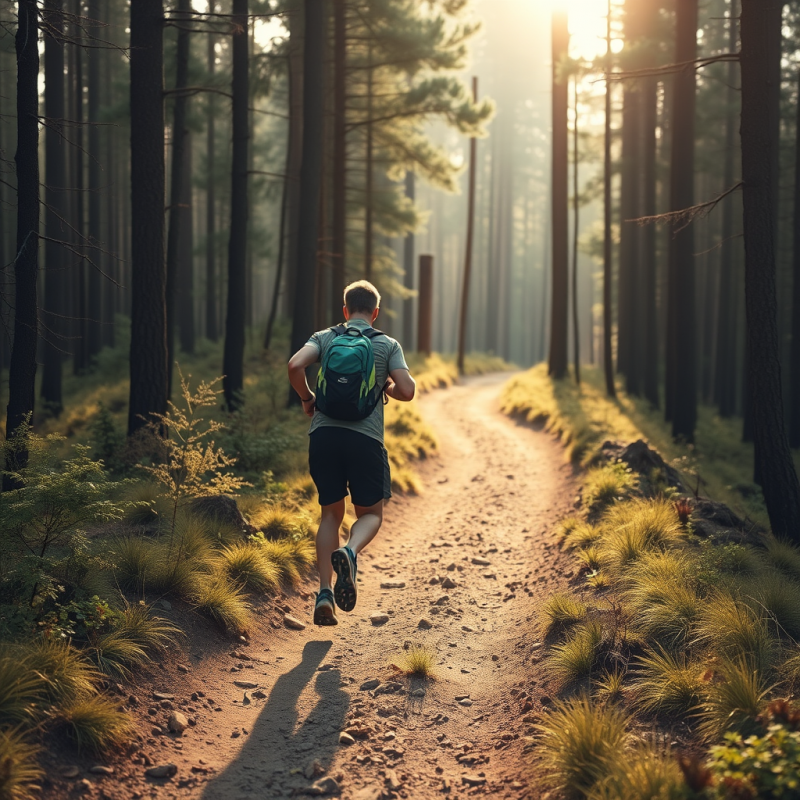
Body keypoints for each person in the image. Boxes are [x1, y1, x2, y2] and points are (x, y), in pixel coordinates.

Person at [287, 280, 416, 626]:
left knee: (330, 514)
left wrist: (307, 399)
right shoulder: (387, 344)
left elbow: (294, 366)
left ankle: (325, 593)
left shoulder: (325, 337)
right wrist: (385, 382)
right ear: (375, 313)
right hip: (365, 441)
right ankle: (350, 550)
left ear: (345, 311)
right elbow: (407, 390)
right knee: (371, 514)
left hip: (324, 437)